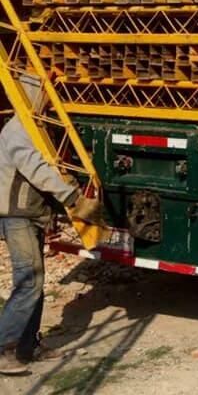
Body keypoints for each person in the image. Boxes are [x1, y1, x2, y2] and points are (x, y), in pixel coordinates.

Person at [0, 115, 101, 375]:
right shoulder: (19, 128)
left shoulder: (34, 124)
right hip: (17, 214)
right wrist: (71, 198)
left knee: (35, 280)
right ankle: (4, 350)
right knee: (29, 280)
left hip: (30, 212)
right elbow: (36, 168)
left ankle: (28, 347)